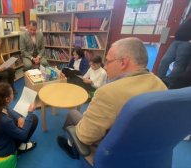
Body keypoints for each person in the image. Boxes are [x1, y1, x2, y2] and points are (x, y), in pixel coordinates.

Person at [57, 37, 167, 165]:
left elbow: (85, 136)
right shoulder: (161, 85)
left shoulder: (108, 93)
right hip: (146, 152)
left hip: (111, 152)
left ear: (123, 63)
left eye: (108, 61)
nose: (106, 66)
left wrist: (80, 127)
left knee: (72, 115)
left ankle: (70, 147)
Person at [0, 82, 38, 157]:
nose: (13, 94)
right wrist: (30, 113)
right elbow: (23, 135)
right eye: (12, 93)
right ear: (7, 99)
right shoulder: (4, 120)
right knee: (34, 119)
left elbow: (8, 109)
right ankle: (19, 148)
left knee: (18, 116)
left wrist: (18, 117)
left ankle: (17, 140)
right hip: (2, 150)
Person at [157, 16, 191, 88]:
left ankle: (167, 84)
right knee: (165, 60)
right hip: (176, 41)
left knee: (179, 65)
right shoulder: (188, 17)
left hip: (186, 43)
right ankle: (158, 80)